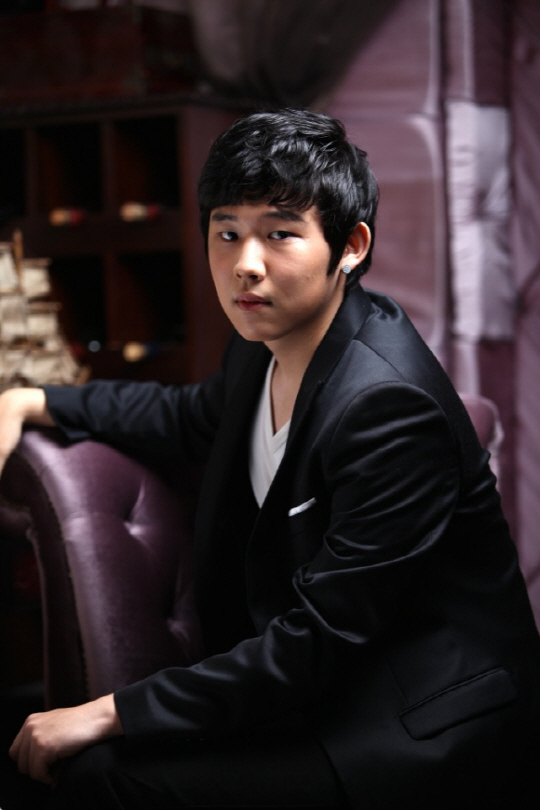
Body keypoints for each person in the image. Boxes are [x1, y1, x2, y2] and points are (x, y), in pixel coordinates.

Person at [1, 109, 539, 810]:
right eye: (227, 232)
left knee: (99, 774)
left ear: (350, 247)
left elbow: (322, 637)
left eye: (280, 233)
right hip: (324, 689)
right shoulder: (263, 342)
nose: (245, 264)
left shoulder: (388, 406)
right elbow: (184, 417)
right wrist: (34, 400)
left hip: (420, 723)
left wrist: (111, 710)